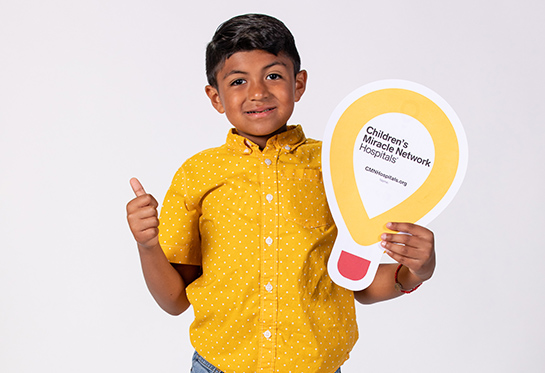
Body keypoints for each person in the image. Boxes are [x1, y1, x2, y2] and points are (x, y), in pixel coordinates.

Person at [126, 13, 435, 373]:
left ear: (298, 84)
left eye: (273, 75)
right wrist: (147, 245)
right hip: (220, 366)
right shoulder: (198, 174)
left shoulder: (338, 167)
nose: (257, 93)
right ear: (215, 97)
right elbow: (175, 299)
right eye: (238, 81)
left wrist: (416, 271)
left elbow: (359, 284)